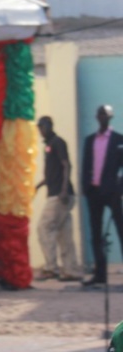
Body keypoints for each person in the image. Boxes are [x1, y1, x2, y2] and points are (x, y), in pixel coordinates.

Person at [34, 116, 83, 282]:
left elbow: (66, 165)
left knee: (44, 228)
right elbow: (50, 174)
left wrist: (63, 190)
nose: (40, 130)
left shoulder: (57, 142)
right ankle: (71, 269)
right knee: (64, 234)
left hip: (59, 195)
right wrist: (38, 186)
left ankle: (50, 268)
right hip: (61, 194)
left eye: (41, 127)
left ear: (48, 126)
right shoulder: (48, 145)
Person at [80, 104, 123, 287]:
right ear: (97, 117)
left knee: (121, 231)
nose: (102, 117)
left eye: (105, 114)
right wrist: (85, 187)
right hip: (94, 192)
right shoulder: (90, 140)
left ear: (110, 117)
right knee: (96, 234)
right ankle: (100, 274)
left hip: (112, 193)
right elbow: (85, 164)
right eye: (100, 114)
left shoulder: (119, 140)